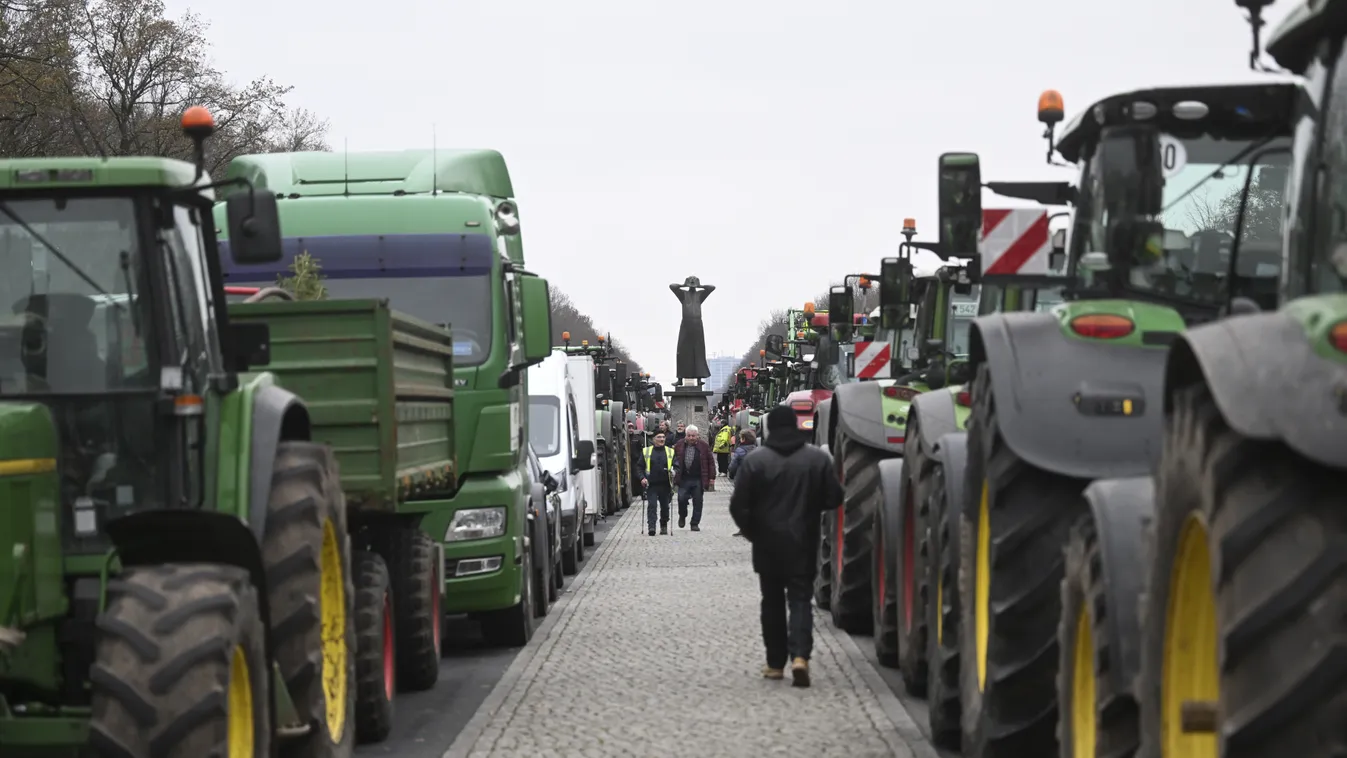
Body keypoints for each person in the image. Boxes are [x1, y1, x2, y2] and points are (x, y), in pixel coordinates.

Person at [729, 406, 843, 687]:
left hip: (767, 543)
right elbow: (834, 497)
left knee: (772, 601)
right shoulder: (816, 458)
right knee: (801, 599)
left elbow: (738, 505)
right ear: (795, 426)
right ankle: (800, 656)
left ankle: (775, 663)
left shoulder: (756, 461)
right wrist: (812, 507)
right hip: (804, 539)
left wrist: (753, 532)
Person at [671, 424, 714, 531]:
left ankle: (694, 523)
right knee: (681, 498)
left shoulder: (704, 446)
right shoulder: (679, 445)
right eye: (689, 435)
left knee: (698, 501)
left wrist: (711, 478)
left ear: (697, 435)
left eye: (693, 436)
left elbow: (711, 462)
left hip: (698, 478)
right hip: (684, 478)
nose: (691, 438)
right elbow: (673, 459)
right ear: (685, 435)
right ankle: (682, 515)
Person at [638, 431, 675, 536]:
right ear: (654, 439)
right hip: (651, 484)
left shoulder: (670, 451)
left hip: (665, 484)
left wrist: (674, 472)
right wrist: (642, 478)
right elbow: (640, 467)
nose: (662, 439)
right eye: (659, 437)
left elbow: (676, 465)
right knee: (652, 505)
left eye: (663, 437)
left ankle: (663, 525)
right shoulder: (646, 451)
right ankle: (652, 527)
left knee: (665, 507)